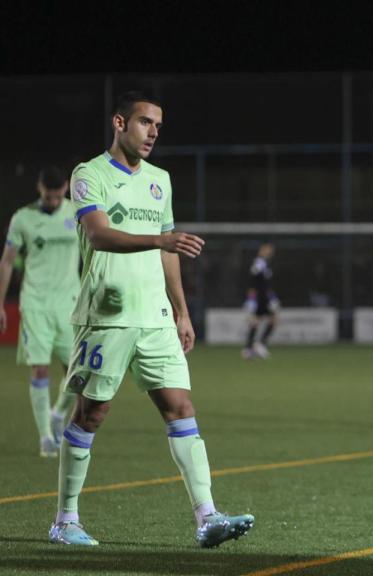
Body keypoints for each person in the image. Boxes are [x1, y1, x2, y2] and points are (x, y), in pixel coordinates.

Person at [49, 91, 254, 547]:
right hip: (106, 316)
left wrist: (181, 312)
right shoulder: (89, 174)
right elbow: (99, 235)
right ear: (119, 123)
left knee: (180, 408)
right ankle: (65, 520)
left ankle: (207, 517)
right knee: (91, 414)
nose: (153, 132)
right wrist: (161, 241)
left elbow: (169, 254)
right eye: (145, 122)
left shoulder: (161, 180)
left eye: (158, 125)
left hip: (156, 318)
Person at [0, 166, 80, 457]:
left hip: (70, 304)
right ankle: (46, 437)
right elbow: (7, 261)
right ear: (39, 188)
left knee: (77, 372)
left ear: (66, 188)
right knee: (40, 367)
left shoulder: (78, 213)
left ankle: (58, 413)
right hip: (35, 303)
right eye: (49, 197)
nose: (54, 202)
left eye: (58, 196)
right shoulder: (23, 218)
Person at [242, 242, 279, 359]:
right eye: (267, 249)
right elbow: (253, 278)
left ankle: (250, 348)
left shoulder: (265, 263)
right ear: (262, 250)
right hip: (260, 298)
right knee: (269, 320)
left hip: (263, 297)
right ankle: (257, 345)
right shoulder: (259, 262)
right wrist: (252, 296)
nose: (269, 252)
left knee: (259, 321)